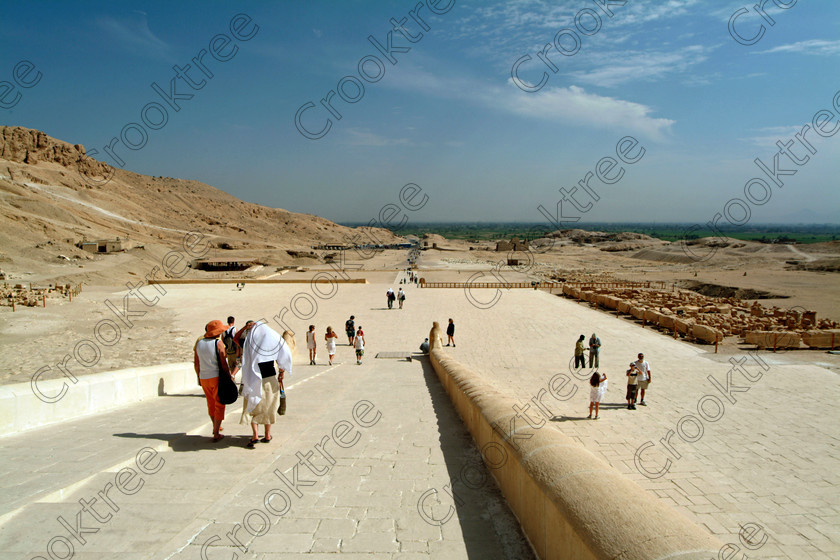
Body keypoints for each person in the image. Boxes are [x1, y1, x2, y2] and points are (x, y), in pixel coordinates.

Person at [239, 321, 293, 448]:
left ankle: (255, 436)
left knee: (253, 406)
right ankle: (267, 435)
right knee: (268, 407)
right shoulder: (271, 344)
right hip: (269, 379)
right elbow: (282, 356)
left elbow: (237, 338)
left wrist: (246, 328)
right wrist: (281, 372)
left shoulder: (249, 344)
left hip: (253, 379)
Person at [194, 320, 234, 442]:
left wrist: (198, 377)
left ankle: (215, 426)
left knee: (210, 403)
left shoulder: (199, 343)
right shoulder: (218, 343)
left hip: (204, 377)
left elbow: (196, 363)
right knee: (220, 404)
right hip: (216, 377)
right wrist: (229, 376)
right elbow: (223, 363)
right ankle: (216, 432)